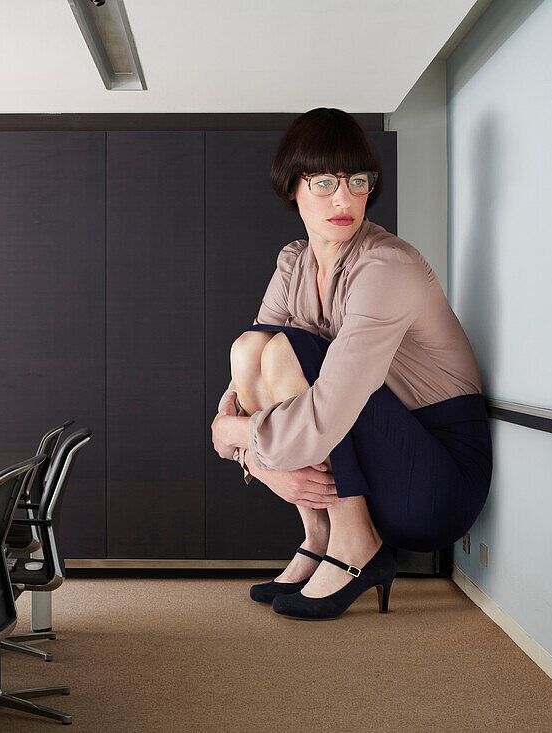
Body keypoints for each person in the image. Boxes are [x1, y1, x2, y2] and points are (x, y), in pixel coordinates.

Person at [209, 108, 492, 620]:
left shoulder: (387, 265)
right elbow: (248, 371)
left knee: (290, 351)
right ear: (292, 187)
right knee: (252, 347)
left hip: (434, 479)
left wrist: (235, 438)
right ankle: (319, 533)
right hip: (372, 454)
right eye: (323, 183)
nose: (344, 198)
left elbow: (327, 411)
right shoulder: (293, 262)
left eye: (356, 181)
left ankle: (357, 541)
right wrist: (253, 453)